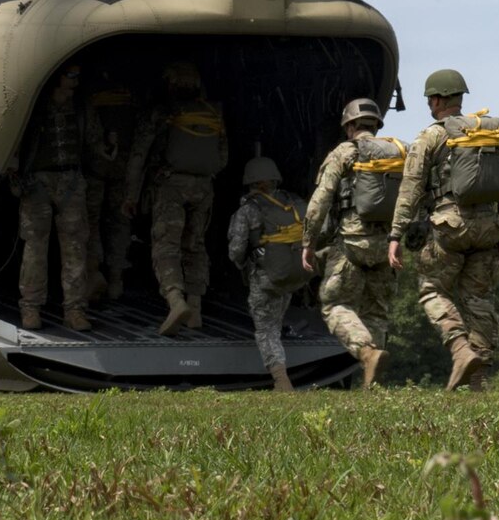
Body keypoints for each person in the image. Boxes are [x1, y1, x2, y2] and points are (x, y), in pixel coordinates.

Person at [388, 69, 499, 391]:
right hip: (489, 227)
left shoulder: (431, 137)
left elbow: (410, 188)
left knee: (432, 289)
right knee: (478, 298)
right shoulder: (484, 135)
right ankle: (479, 380)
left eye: (430, 98)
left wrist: (395, 235)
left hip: (449, 226)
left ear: (437, 99)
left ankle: (459, 349)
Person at [123, 60, 228, 336]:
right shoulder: (212, 113)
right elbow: (223, 157)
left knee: (165, 245)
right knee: (195, 244)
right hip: (204, 187)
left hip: (170, 185)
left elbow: (138, 156)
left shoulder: (161, 113)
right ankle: (195, 307)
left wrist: (131, 195)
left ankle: (175, 300)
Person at [305, 98, 402, 388]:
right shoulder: (399, 150)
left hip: (350, 242)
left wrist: (308, 241)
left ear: (349, 126)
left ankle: (366, 352)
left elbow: (320, 200)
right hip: (386, 245)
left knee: (334, 304)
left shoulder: (345, 152)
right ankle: (373, 383)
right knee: (376, 310)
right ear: (376, 123)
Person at [12, 64, 95, 332]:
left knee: (75, 248)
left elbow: (93, 139)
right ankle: (31, 307)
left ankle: (75, 310)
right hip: (38, 182)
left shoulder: (81, 108)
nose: (75, 82)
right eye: (70, 76)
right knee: (35, 247)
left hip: (70, 181)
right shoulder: (35, 106)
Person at [226, 157, 311, 391]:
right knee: (276, 320)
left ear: (250, 182)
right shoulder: (293, 204)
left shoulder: (248, 210)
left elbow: (235, 251)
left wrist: (247, 264)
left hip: (265, 278)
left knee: (266, 329)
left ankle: (281, 381)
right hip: (292, 274)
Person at [84, 71, 138, 302]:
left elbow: (89, 134)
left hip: (96, 169)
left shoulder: (93, 96)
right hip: (123, 168)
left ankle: (93, 273)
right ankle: (116, 280)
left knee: (91, 221)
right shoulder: (131, 98)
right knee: (120, 223)